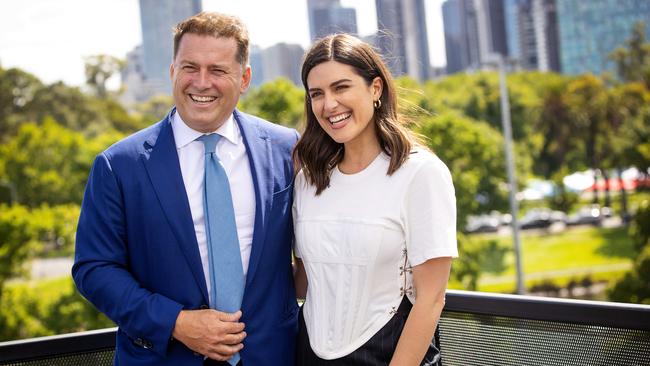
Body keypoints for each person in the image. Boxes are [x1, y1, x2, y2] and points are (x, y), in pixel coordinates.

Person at [72, 12, 299, 366]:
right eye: (190, 67)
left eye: (218, 70)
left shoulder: (287, 149)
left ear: (244, 79)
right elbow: (94, 268)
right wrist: (174, 322)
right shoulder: (119, 165)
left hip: (273, 356)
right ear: (172, 72)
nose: (201, 82)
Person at [292, 33, 458, 365]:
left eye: (341, 88)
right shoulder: (307, 180)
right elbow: (305, 283)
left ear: (376, 89)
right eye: (317, 94)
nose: (329, 105)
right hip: (308, 355)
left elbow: (431, 299)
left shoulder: (420, 173)